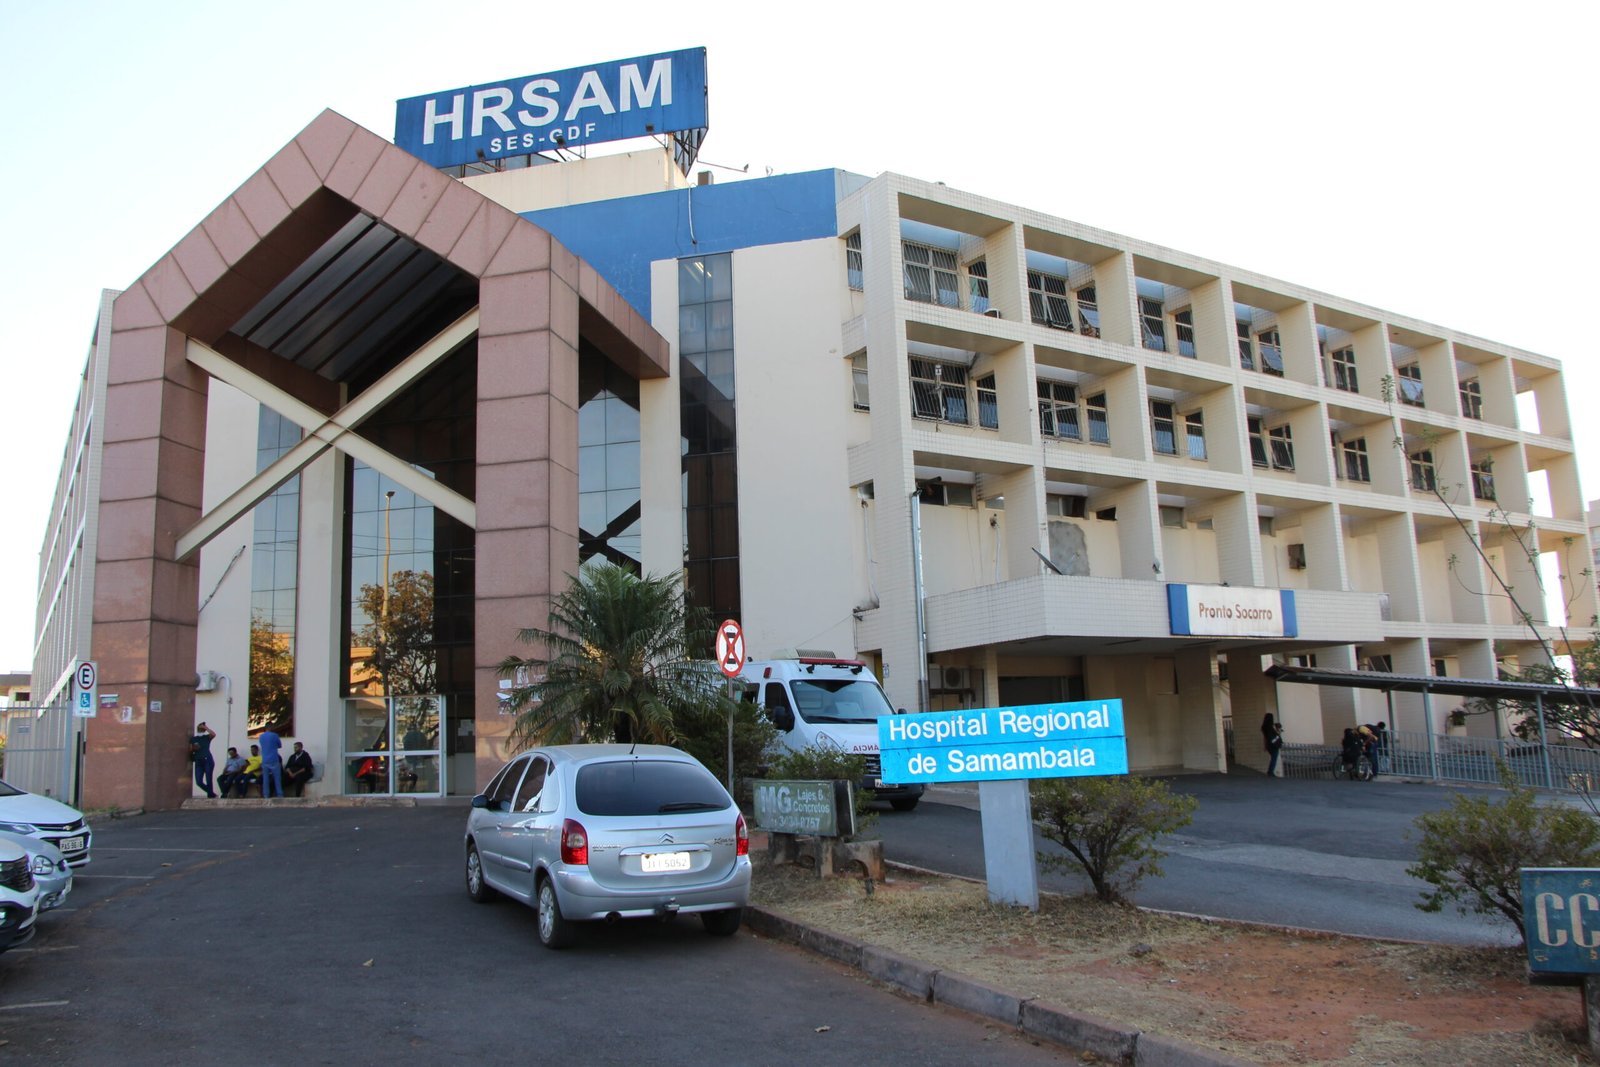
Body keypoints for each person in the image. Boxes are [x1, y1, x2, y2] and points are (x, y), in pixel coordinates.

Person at [190, 722, 217, 799]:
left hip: (207, 759)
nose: (200, 728)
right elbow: (190, 749)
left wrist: (206, 728)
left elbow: (213, 734)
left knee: (208, 778)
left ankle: (211, 795)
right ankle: (211, 793)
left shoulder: (206, 737)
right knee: (199, 781)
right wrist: (194, 749)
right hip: (198, 761)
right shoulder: (193, 739)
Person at [258, 726, 284, 798]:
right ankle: (279, 794)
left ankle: (266, 795)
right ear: (270, 727)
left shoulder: (261, 736)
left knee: (265, 779)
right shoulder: (275, 735)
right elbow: (279, 745)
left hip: (265, 759)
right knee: (277, 778)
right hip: (274, 759)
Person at [1260, 713, 1283, 778]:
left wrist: (1265, 746)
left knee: (1273, 758)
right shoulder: (1271, 727)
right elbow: (1276, 735)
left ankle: (1270, 771)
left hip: (1269, 745)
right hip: (1274, 745)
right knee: (1274, 758)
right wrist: (1278, 732)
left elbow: (1265, 738)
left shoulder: (1264, 727)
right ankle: (1270, 772)